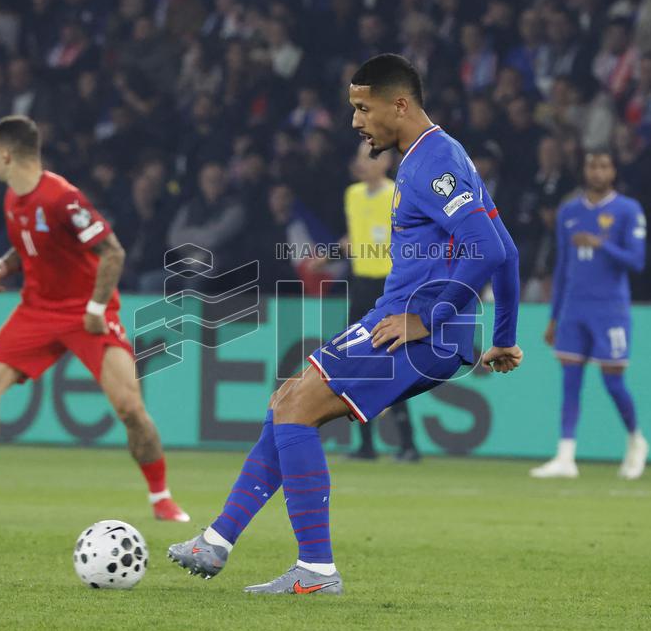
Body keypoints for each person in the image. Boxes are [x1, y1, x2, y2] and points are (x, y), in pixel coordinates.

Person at [167, 54, 522, 594]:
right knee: (288, 400)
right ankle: (217, 541)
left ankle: (315, 570)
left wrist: (429, 316)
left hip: (411, 328)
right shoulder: (441, 155)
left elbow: (491, 248)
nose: (355, 121)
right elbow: (509, 251)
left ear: (399, 105)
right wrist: (501, 338)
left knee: (294, 406)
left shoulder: (432, 163)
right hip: (411, 325)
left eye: (363, 108)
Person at [0, 115, 189, 522]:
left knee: (130, 408)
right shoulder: (12, 197)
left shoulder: (63, 197)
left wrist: (97, 308)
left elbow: (112, 251)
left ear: (7, 154)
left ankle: (161, 498)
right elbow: (28, 246)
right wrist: (2, 265)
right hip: (37, 309)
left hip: (86, 311)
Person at [534, 150, 648, 480]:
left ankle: (636, 440)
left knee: (613, 381)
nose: (597, 172)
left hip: (610, 308)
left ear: (613, 171)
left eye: (603, 166)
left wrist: (601, 244)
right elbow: (563, 267)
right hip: (574, 308)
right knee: (570, 382)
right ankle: (566, 456)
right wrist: (554, 317)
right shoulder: (569, 211)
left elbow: (637, 261)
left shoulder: (628, 210)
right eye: (591, 165)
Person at [314, 141, 420, 462]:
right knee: (355, 364)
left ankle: (408, 444)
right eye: (360, 156)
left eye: (370, 156)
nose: (363, 163)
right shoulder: (353, 195)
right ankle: (366, 445)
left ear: (386, 161)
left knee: (391, 366)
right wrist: (328, 255)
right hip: (359, 287)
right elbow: (355, 240)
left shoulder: (396, 195)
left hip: (389, 288)